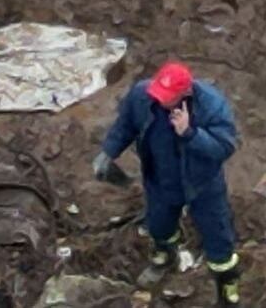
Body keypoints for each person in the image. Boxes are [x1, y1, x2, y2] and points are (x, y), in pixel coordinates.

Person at [96, 60, 244, 303]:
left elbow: (225, 146)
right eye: (158, 93)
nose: (159, 100)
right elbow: (126, 124)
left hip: (202, 185)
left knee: (218, 239)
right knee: (159, 224)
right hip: (161, 177)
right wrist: (108, 152)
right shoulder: (143, 95)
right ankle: (165, 257)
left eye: (167, 97)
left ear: (186, 92)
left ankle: (228, 291)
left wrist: (190, 133)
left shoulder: (212, 106)